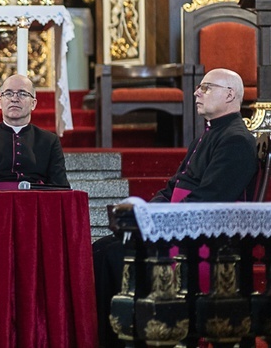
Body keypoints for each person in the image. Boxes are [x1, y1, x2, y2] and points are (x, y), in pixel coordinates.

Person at [93, 68, 258, 346]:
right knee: (102, 246)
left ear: (230, 94)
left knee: (109, 254)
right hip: (178, 225)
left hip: (201, 242)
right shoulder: (205, 136)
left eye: (206, 88)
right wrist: (146, 213)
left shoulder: (235, 140)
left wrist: (158, 221)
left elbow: (208, 201)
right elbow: (173, 189)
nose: (197, 92)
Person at [0, 74, 69, 187]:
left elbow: (60, 186)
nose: (14, 99)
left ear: (33, 103)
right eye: (8, 93)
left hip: (36, 201)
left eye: (22, 94)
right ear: (0, 102)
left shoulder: (49, 141)